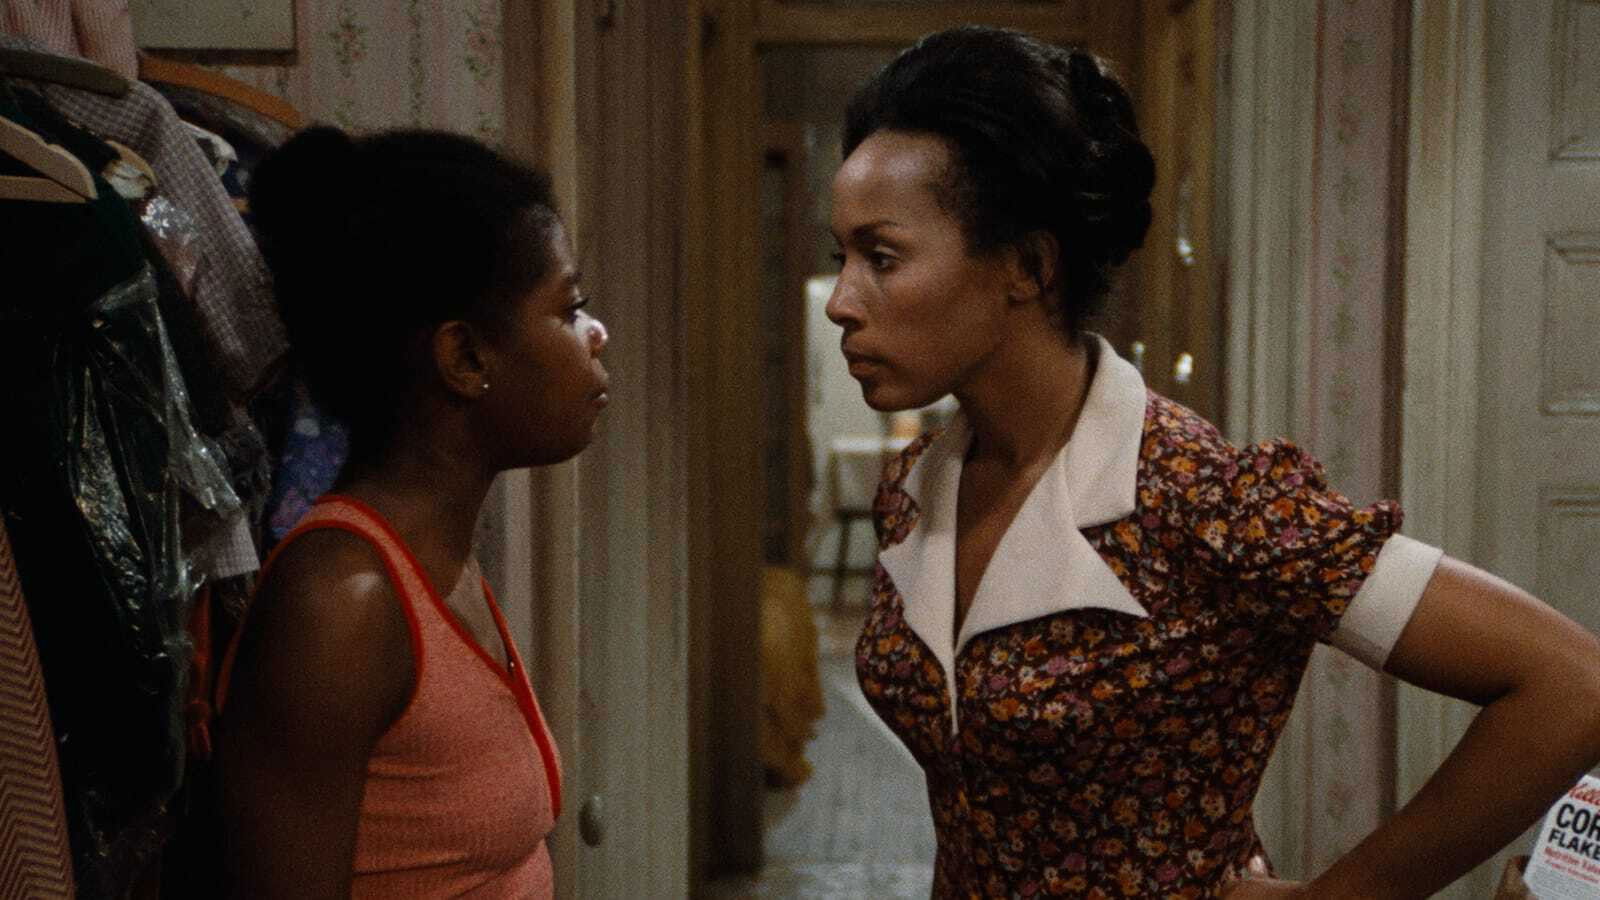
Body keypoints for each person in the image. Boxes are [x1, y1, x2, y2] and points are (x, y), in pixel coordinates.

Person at [830, 26, 1600, 898]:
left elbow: (1568, 685)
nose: (843, 302)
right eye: (840, 257)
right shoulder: (915, 491)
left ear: (1028, 266)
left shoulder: (1203, 498)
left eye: (881, 257)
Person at [214, 127, 609, 898]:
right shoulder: (340, 605)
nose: (596, 335)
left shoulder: (438, 560)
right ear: (464, 358)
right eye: (569, 309)